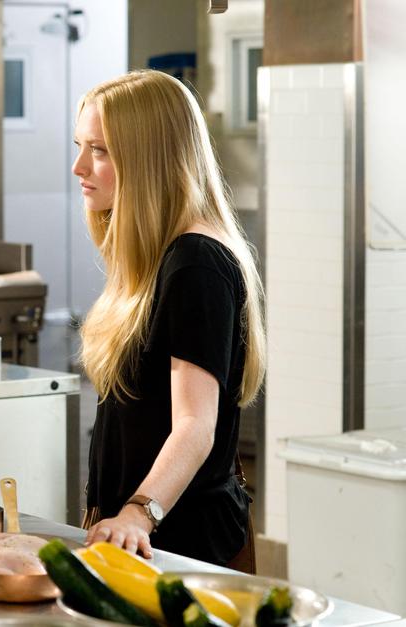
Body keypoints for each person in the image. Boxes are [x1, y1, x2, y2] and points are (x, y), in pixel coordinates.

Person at [75, 70, 266, 568]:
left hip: (180, 541)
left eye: (99, 151)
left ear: (148, 158)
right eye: (80, 147)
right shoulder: (155, 258)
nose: (79, 167)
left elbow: (195, 426)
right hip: (138, 537)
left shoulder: (196, 263)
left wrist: (139, 513)